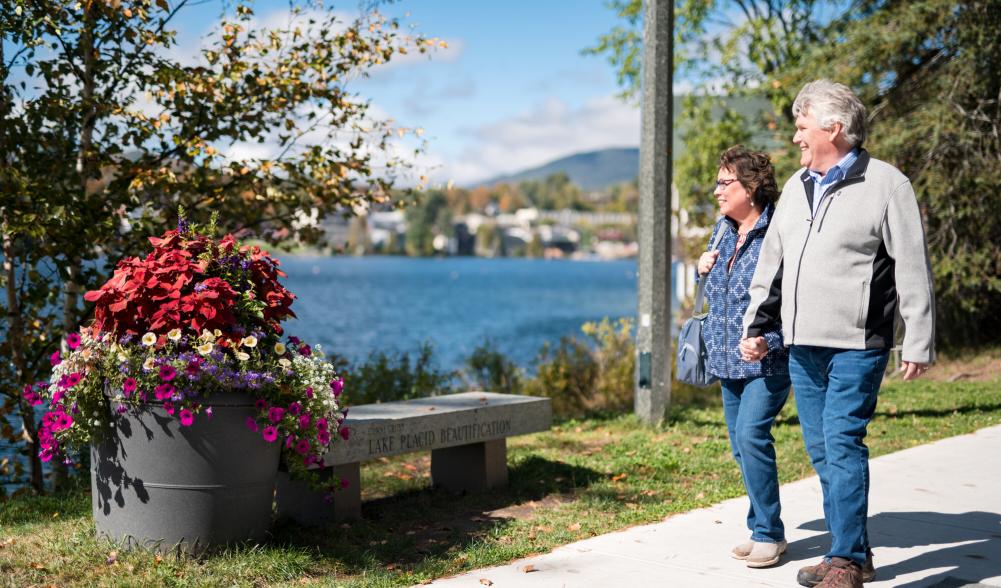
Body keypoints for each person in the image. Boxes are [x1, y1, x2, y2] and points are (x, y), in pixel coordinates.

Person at [741, 79, 935, 588]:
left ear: (835, 127)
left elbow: (913, 267)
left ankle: (845, 561)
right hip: (802, 343)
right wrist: (757, 326)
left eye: (802, 126)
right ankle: (853, 551)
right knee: (823, 449)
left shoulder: (888, 184)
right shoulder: (795, 185)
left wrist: (917, 338)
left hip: (857, 343)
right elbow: (773, 264)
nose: (796, 138)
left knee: (843, 442)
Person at [697, 146, 791, 569]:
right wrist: (704, 268)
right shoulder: (721, 230)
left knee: (752, 437)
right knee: (741, 446)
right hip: (726, 360)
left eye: (724, 182)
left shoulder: (778, 233)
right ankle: (761, 528)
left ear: (750, 187)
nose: (716, 191)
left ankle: (769, 533)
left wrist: (769, 340)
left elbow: (796, 302)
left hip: (767, 360)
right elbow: (719, 297)